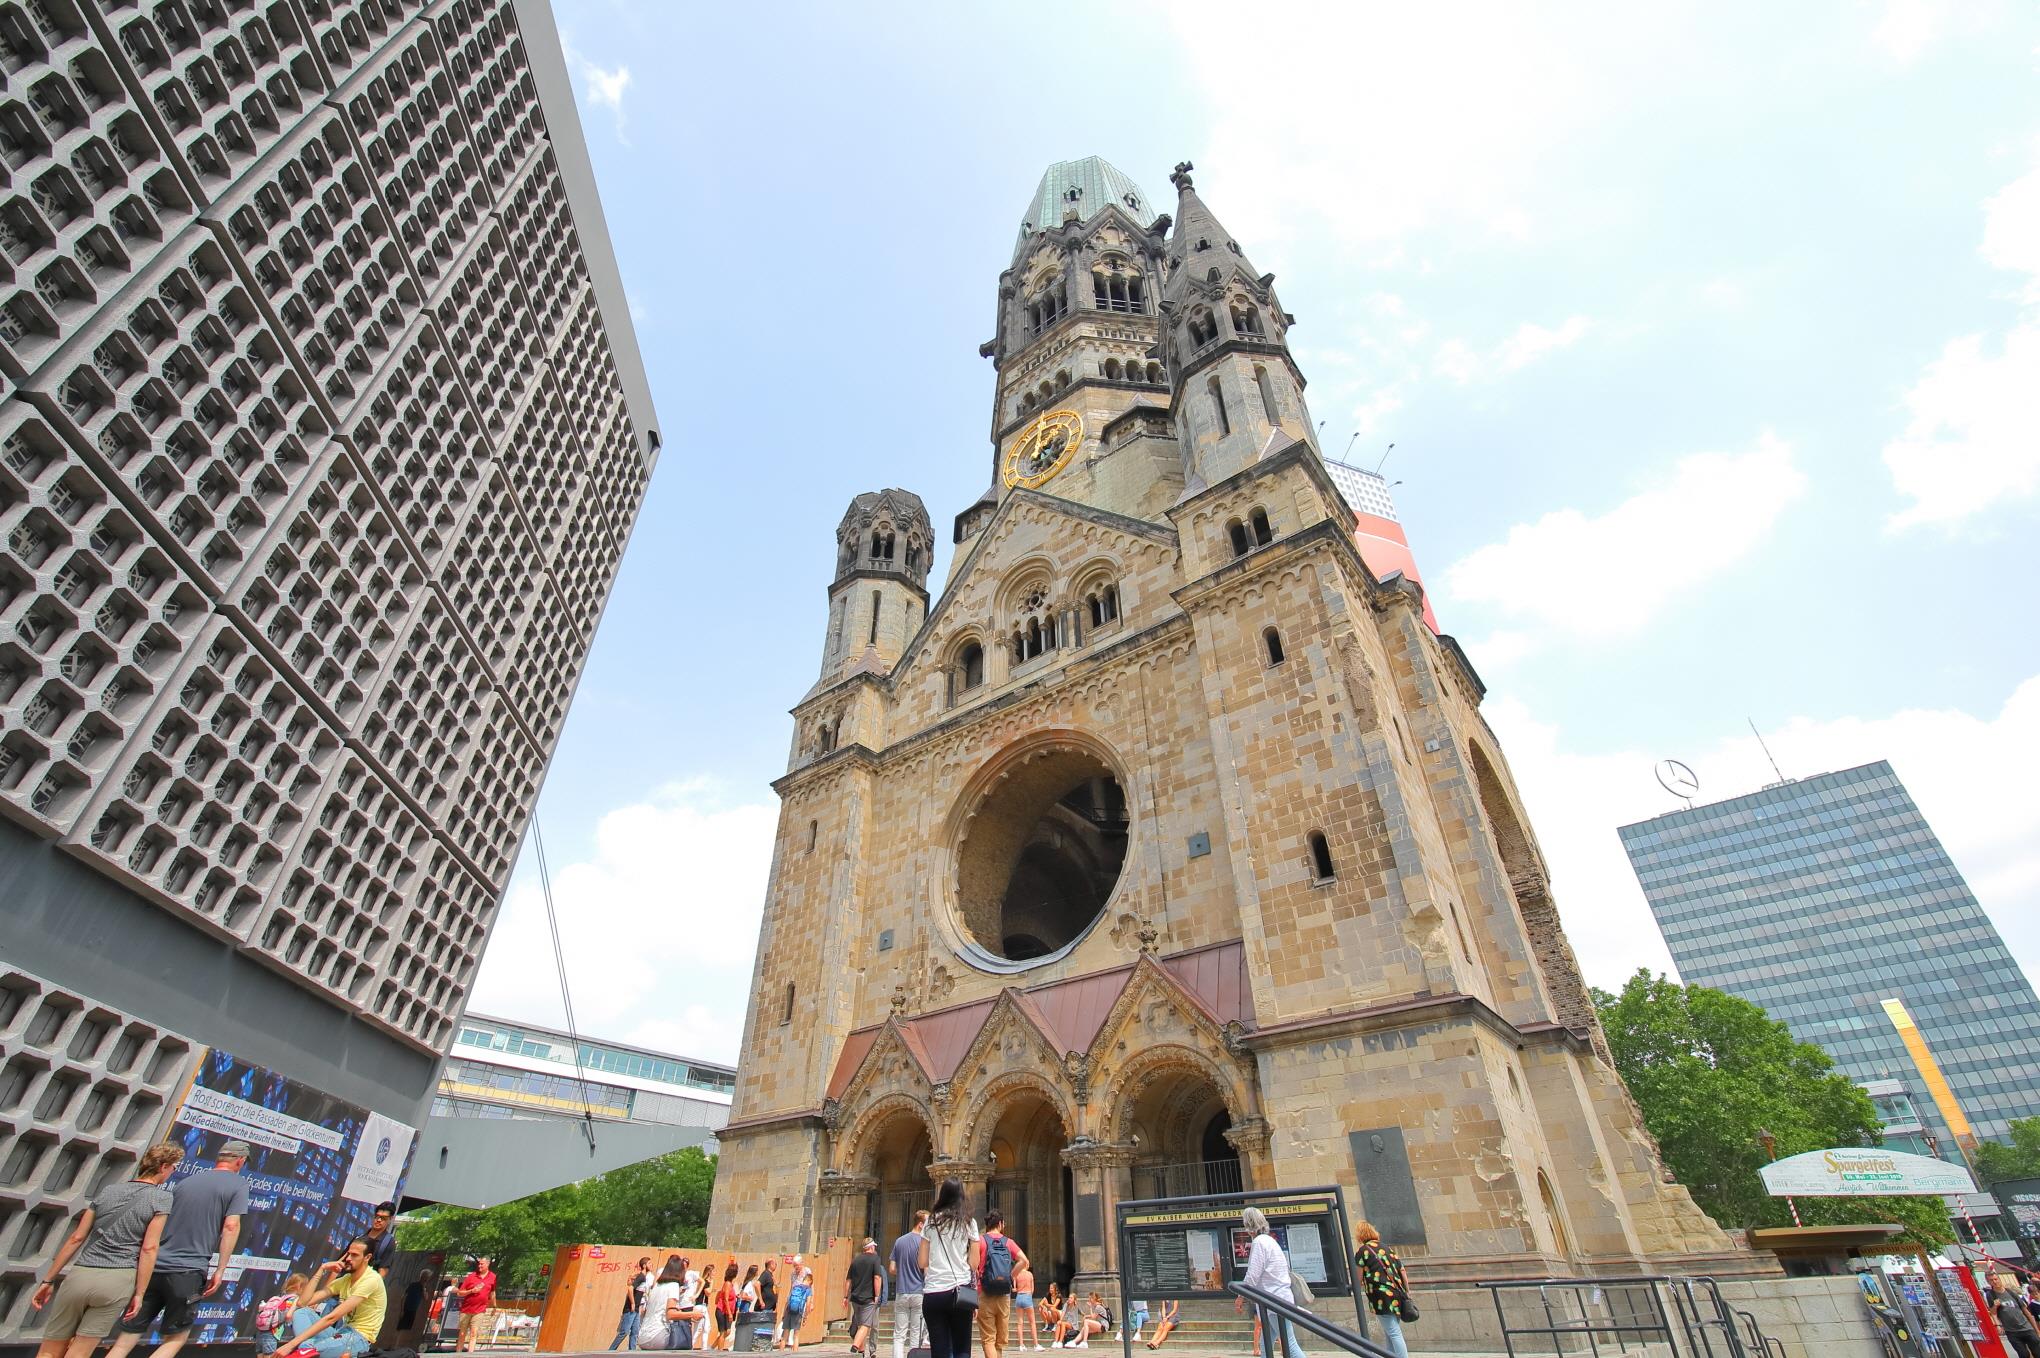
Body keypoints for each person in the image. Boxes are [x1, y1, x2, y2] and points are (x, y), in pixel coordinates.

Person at [30, 1141, 180, 1358]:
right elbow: (149, 1247)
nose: (172, 1172)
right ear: (164, 1166)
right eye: (174, 1167)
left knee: (49, 1351)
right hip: (117, 1280)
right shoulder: (161, 1198)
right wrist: (139, 1293)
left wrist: (48, 1280)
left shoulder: (109, 1191)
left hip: (81, 1274)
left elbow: (77, 1237)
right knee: (79, 1352)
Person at [106, 1138, 251, 1358]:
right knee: (175, 1339)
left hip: (154, 1268)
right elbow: (231, 1226)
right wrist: (220, 1269)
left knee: (125, 1339)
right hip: (188, 1271)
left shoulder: (187, 1182)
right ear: (240, 1162)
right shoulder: (238, 1185)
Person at [286, 1237, 386, 1357]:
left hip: (359, 1339)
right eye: (348, 1254)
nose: (348, 1258)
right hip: (341, 1333)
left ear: (367, 1257)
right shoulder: (345, 1280)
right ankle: (307, 1348)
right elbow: (303, 1302)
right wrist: (321, 1269)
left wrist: (292, 1344)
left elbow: (332, 1318)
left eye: (354, 1255)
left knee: (304, 1350)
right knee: (302, 1312)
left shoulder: (371, 1280)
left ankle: (306, 1349)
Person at [918, 1177, 982, 1358]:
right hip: (959, 1292)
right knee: (962, 1349)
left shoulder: (931, 1222)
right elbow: (974, 1264)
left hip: (934, 1292)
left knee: (939, 1351)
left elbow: (922, 1262)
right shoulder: (969, 1222)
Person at [1237, 1208, 1304, 1358]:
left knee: (1289, 1345)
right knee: (1266, 1342)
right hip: (1275, 1299)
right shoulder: (1270, 1241)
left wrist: (1240, 1296)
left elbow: (1252, 1275)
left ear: (1248, 1224)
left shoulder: (1259, 1243)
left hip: (1274, 1300)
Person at [1352, 1222, 1409, 1358]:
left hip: (1381, 1296)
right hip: (1397, 1294)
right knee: (1390, 1332)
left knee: (1393, 1332)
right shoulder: (1387, 1248)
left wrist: (1355, 1288)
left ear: (1360, 1235)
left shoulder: (1363, 1251)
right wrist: (1407, 1292)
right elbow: (1402, 1271)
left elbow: (1358, 1277)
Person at [978, 1211, 1029, 1358]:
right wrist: (1010, 1276)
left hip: (984, 1293)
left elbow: (973, 1266)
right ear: (1000, 1224)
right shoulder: (1008, 1242)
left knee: (988, 1339)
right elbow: (1024, 1261)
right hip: (1003, 1294)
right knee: (999, 1342)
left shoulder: (980, 1241)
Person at [890, 1212, 929, 1358]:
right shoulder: (924, 1242)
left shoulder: (899, 1241)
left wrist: (904, 1273)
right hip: (918, 1292)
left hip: (902, 1291)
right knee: (915, 1333)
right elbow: (926, 1270)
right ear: (920, 1224)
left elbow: (892, 1269)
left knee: (899, 1334)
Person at [639, 1256, 690, 1352]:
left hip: (642, 1336)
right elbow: (670, 1315)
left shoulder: (656, 1286)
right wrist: (692, 1314)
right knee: (683, 1341)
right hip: (658, 1336)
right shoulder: (674, 1285)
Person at [846, 1237, 885, 1358]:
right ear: (872, 1247)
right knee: (865, 1325)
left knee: (859, 1324)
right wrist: (877, 1295)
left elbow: (848, 1280)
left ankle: (861, 1353)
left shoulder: (855, 1260)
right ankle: (855, 1347)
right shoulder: (875, 1259)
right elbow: (877, 1278)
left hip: (855, 1298)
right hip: (868, 1298)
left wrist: (845, 1296)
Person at [255, 1273, 311, 1355]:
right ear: (300, 1287)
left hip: (261, 1332)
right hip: (273, 1333)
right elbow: (288, 1316)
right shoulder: (294, 1300)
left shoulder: (281, 1297)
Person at [455, 1255, 497, 1352]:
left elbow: (492, 1291)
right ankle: (458, 1353)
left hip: (480, 1310)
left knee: (474, 1332)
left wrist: (494, 1305)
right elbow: (459, 1293)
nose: (479, 1266)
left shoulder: (493, 1277)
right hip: (466, 1309)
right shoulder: (471, 1276)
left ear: (488, 1264)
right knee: (462, 1333)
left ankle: (470, 1354)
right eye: (479, 1264)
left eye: (482, 1264)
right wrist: (471, 1291)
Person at [1994, 1275, 2040, 1358]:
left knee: (2036, 1350)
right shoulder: (1994, 1297)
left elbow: (2028, 1313)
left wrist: (2036, 1330)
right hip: (2013, 1331)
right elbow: (1994, 1314)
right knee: (2024, 1353)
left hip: (2026, 1327)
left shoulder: (2018, 1297)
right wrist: (1998, 1325)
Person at [612, 1257, 650, 1350]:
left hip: (636, 1310)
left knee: (634, 1332)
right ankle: (610, 1351)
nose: (651, 1266)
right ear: (644, 1266)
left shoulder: (643, 1277)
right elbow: (630, 1288)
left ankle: (632, 1352)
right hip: (630, 1309)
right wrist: (632, 1303)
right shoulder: (641, 1276)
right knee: (624, 1332)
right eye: (649, 1264)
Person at [777, 1257, 812, 1350]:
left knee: (786, 1333)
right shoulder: (794, 1275)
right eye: (794, 1266)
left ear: (802, 1263)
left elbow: (791, 1291)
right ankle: (793, 1352)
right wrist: (805, 1315)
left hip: (793, 1305)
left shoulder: (806, 1271)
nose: (796, 1267)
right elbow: (791, 1290)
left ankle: (781, 1352)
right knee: (795, 1334)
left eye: (797, 1265)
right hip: (797, 1306)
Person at [1011, 1256, 1039, 1352]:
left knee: (1020, 1323)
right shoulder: (1029, 1274)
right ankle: (1035, 1344)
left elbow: (1014, 1288)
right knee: (1032, 1322)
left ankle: (1021, 1345)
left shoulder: (1017, 1274)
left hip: (1019, 1297)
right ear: (1026, 1264)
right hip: (1027, 1296)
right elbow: (1032, 1290)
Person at [362, 1203, 399, 1276]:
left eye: (383, 1218)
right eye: (377, 1216)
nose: (378, 1220)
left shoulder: (388, 1242)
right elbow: (341, 1262)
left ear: (390, 1219)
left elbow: (383, 1271)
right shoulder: (359, 1237)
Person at [758, 1260, 779, 1348]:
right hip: (765, 1306)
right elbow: (757, 1284)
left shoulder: (770, 1275)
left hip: (770, 1306)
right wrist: (761, 1300)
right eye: (775, 1263)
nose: (776, 1265)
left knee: (768, 1327)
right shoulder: (766, 1274)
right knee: (763, 1327)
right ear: (770, 1265)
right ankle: (761, 1345)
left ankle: (765, 1345)